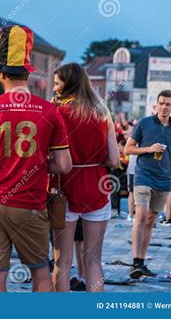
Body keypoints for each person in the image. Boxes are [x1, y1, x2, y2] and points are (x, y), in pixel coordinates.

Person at [0, 25, 72, 292]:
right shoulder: (50, 110)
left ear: (1, 74)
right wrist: (40, 163)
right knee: (39, 271)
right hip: (30, 203)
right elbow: (64, 165)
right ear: (28, 74)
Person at [51, 63, 119, 292]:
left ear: (68, 85)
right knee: (93, 261)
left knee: (62, 261)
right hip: (97, 186)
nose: (54, 87)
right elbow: (115, 161)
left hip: (65, 187)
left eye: (57, 83)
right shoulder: (102, 112)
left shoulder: (58, 113)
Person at [124, 90, 171, 279]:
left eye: (168, 104)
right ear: (156, 105)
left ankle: (141, 263)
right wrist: (148, 149)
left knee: (150, 220)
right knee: (140, 215)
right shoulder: (144, 123)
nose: (164, 107)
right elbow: (127, 149)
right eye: (161, 103)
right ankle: (135, 261)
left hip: (163, 180)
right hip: (143, 176)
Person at [126, 154, 138, 223]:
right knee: (133, 193)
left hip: (133, 169)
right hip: (134, 170)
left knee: (132, 192)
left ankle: (131, 215)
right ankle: (132, 215)